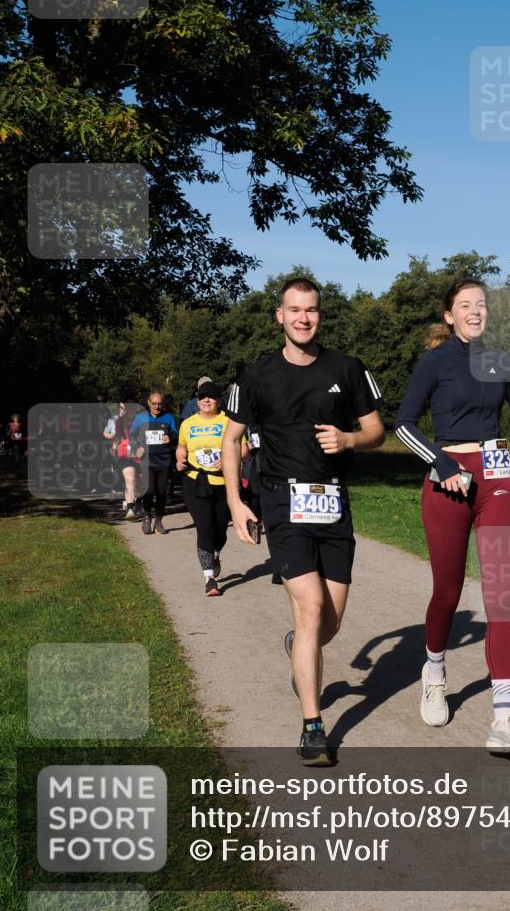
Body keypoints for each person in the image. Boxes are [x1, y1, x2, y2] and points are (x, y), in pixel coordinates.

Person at [222, 277, 385, 765]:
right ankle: (313, 727)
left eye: (311, 310)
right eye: (294, 310)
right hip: (281, 502)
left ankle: (300, 647)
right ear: (279, 315)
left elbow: (378, 429)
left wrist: (350, 440)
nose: (303, 318)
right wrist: (236, 502)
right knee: (312, 609)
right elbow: (232, 441)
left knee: (327, 623)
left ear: (320, 314)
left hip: (333, 505)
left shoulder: (348, 369)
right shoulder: (255, 376)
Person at [395, 279, 510, 752]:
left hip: (497, 478)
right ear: (449, 316)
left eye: (481, 304)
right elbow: (402, 424)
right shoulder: (435, 362)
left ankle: (504, 720)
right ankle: (435, 672)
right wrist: (442, 464)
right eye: (465, 305)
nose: (475, 311)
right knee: (449, 590)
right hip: (448, 478)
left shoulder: (501, 361)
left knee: (500, 596)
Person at [176, 381, 248, 596]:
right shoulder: (188, 423)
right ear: (197, 401)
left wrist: (229, 459)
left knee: (219, 529)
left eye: (210, 396)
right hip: (195, 481)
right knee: (204, 526)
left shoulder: (230, 421)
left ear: (218, 400)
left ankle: (214, 553)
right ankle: (210, 578)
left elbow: (243, 448)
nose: (206, 400)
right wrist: (179, 459)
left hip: (224, 483)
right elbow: (182, 447)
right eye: (202, 397)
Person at [130, 391, 177, 534]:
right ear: (148, 403)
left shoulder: (169, 418)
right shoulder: (140, 418)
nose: (157, 406)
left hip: (164, 460)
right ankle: (146, 517)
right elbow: (132, 436)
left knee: (162, 492)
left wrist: (170, 438)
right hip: (147, 461)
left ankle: (158, 521)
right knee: (149, 491)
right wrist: (136, 447)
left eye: (159, 403)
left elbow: (176, 435)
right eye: (154, 403)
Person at [112, 402, 143, 519]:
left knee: (140, 482)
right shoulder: (120, 421)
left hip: (141, 454)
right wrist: (115, 445)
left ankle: (139, 503)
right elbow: (118, 435)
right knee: (130, 480)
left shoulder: (142, 420)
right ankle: (130, 508)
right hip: (125, 454)